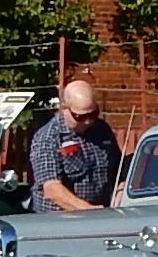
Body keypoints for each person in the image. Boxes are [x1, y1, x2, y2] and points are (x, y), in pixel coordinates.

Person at [30, 77, 122, 211]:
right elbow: (51, 188)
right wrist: (89, 210)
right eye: (80, 117)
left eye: (93, 114)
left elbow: (119, 167)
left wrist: (121, 189)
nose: (88, 121)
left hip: (101, 213)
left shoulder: (102, 130)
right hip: (60, 219)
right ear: (64, 108)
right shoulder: (48, 138)